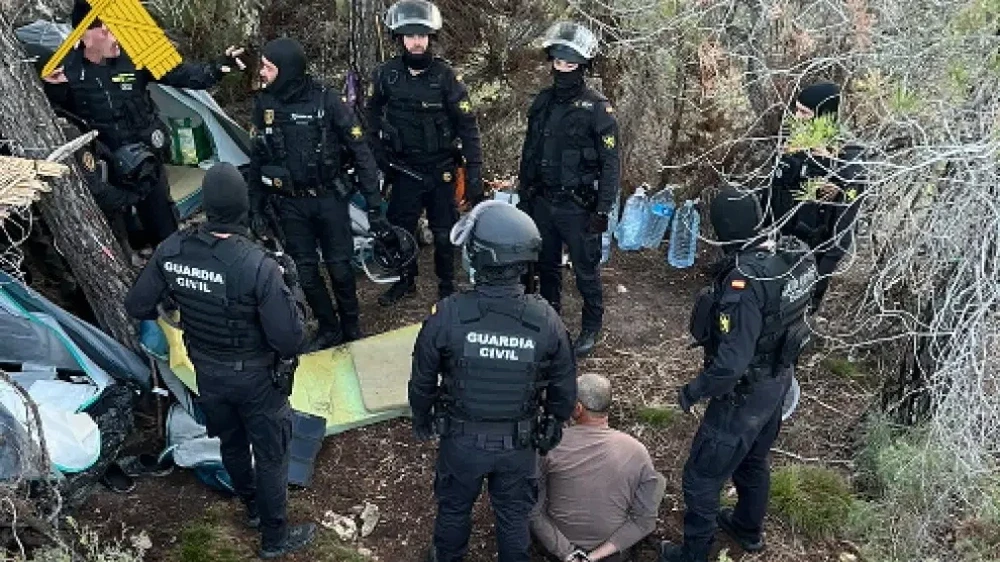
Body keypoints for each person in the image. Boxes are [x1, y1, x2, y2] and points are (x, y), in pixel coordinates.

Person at [124, 163, 316, 559]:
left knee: (232, 441)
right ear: (242, 206)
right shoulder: (258, 265)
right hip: (256, 380)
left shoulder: (173, 249)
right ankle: (274, 538)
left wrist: (181, 300)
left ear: (208, 206)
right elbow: (290, 339)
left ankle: (251, 508)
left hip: (207, 372)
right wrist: (293, 287)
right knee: (271, 455)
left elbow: (138, 305)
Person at [409, 201, 578, 562]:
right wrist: (554, 422)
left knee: (454, 509)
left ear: (479, 257)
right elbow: (564, 387)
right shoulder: (545, 319)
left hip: (462, 443)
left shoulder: (448, 314)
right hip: (518, 446)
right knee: (513, 516)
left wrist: (422, 418)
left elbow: (422, 379)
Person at [659, 186, 818, 562]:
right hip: (777, 382)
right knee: (753, 461)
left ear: (724, 228)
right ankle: (747, 529)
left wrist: (693, 391)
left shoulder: (744, 282)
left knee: (701, 478)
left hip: (743, 395)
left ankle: (693, 555)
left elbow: (731, 364)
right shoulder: (795, 255)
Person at [42, 0, 246, 248]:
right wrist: (53, 88)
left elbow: (185, 76)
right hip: (108, 167)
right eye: (108, 30)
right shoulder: (67, 70)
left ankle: (169, 256)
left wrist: (218, 68)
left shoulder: (136, 57)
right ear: (87, 35)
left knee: (164, 225)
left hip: (146, 161)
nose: (117, 36)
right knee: (119, 231)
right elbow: (57, 116)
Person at [248, 37, 388, 351]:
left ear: (287, 69)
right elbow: (257, 158)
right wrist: (255, 207)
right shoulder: (265, 104)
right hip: (290, 203)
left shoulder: (327, 101)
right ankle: (328, 326)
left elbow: (361, 152)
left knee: (340, 268)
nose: (263, 73)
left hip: (329, 199)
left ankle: (351, 326)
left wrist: (374, 206)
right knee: (305, 271)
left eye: (268, 67)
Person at [366, 0, 485, 306]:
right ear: (399, 38)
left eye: (422, 35)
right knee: (400, 229)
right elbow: (370, 118)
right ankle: (405, 281)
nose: (416, 42)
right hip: (403, 168)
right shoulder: (386, 75)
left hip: (440, 168)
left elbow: (468, 127)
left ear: (431, 37)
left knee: (444, 233)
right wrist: (379, 156)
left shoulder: (446, 77)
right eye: (410, 35)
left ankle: (447, 285)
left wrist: (474, 173)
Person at [516, 21, 620, 358]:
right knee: (546, 266)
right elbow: (530, 151)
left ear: (583, 65)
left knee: (586, 270)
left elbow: (611, 164)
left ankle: (591, 326)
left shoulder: (598, 108)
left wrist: (602, 210)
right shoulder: (543, 102)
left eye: (570, 63)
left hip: (578, 206)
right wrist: (524, 193)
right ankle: (550, 321)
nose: (562, 69)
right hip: (543, 201)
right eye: (558, 62)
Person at [531, 373, 665, 562]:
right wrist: (593, 557)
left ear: (578, 408)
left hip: (557, 550)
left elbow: (533, 511)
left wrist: (568, 554)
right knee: (658, 481)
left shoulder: (551, 446)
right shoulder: (637, 451)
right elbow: (644, 521)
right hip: (611, 554)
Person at [762, 82, 867, 314]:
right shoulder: (795, 145)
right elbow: (773, 193)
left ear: (824, 116)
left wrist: (818, 280)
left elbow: (843, 230)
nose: (797, 118)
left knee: (793, 316)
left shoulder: (847, 162)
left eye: (805, 113)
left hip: (811, 257)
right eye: (796, 110)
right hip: (777, 246)